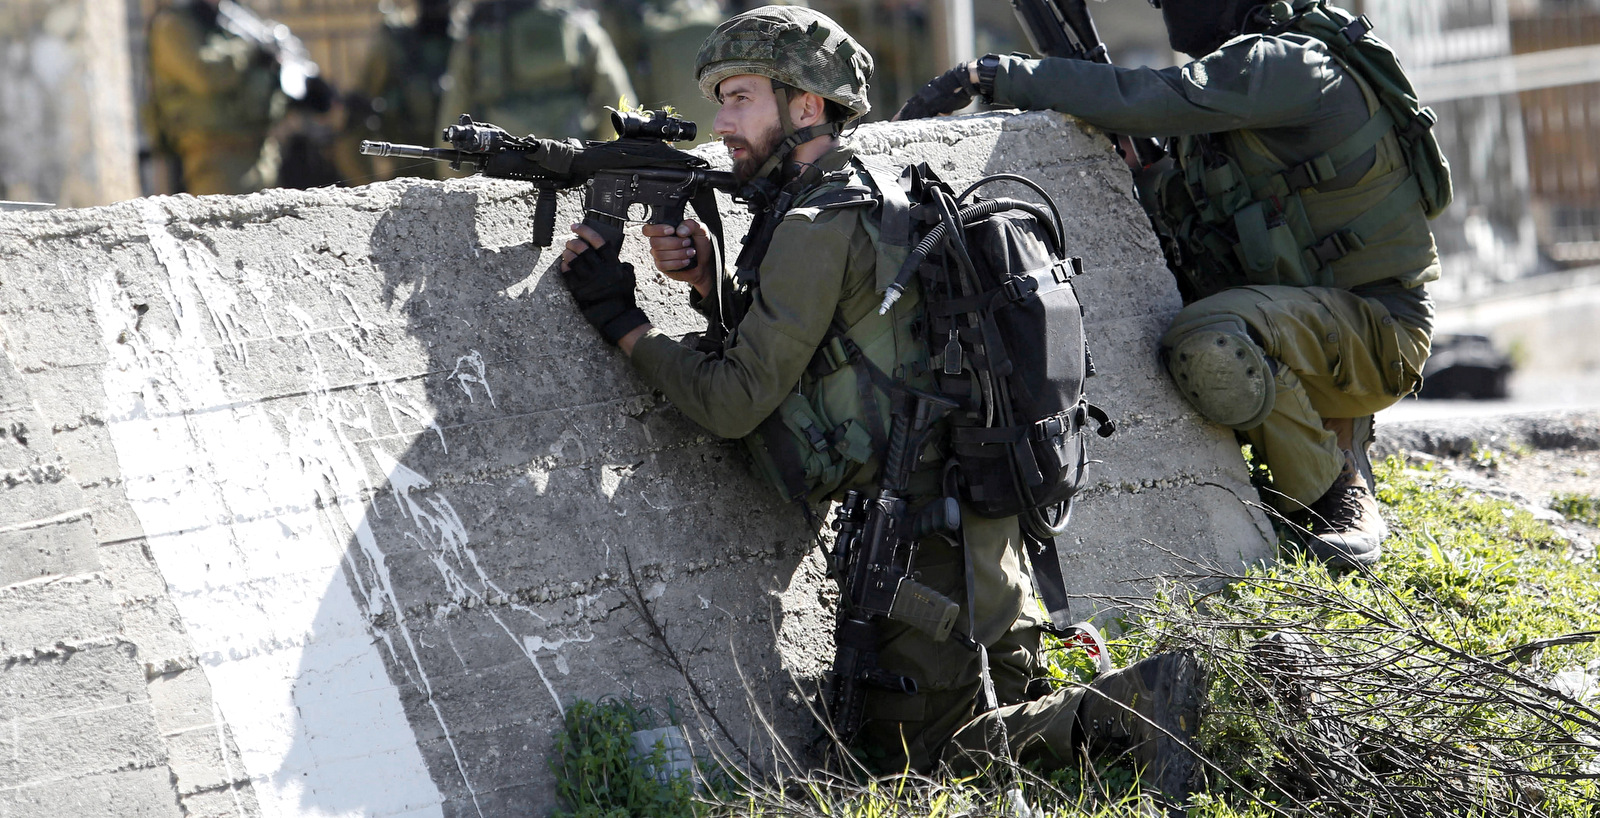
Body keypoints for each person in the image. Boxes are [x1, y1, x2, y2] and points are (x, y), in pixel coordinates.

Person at [555, 4, 1202, 808]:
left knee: (919, 761)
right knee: (993, 724)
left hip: (924, 547)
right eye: (720, 98)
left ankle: (1143, 702)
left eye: (741, 97)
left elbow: (732, 403)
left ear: (807, 106)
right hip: (982, 525)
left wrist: (623, 320)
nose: (719, 122)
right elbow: (848, 346)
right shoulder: (872, 191)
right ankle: (1092, 706)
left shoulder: (816, 219)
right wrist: (709, 284)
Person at [896, 0, 1443, 569]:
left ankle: (1335, 493)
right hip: (1306, 318)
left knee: (1207, 342)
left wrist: (992, 75)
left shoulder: (1290, 63)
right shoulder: (1242, 83)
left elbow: (1158, 97)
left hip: (1378, 333)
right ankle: (1317, 437)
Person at [436, 0, 635, 143]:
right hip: (572, 163)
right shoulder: (580, 27)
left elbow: (454, 114)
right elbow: (618, 101)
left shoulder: (478, 33)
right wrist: (599, 165)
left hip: (501, 168)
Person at [146, 0, 284, 194]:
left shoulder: (230, 15)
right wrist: (250, 48)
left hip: (261, 153)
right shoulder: (173, 23)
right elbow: (205, 74)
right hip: (216, 157)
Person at [337, 0, 460, 183]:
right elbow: (357, 115)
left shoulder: (469, 41)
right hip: (407, 177)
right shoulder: (394, 44)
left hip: (463, 177)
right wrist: (367, 187)